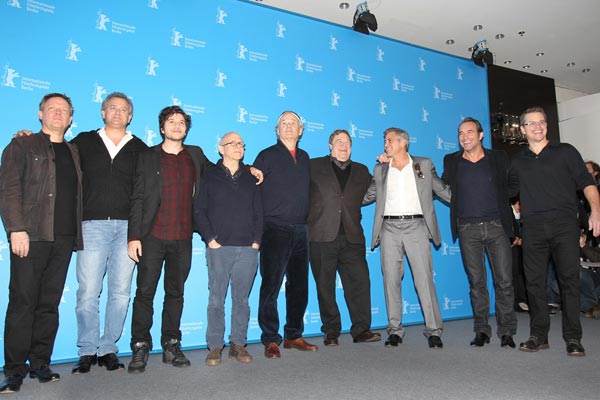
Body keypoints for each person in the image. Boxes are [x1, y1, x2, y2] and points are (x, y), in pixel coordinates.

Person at [0, 93, 83, 394]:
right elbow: (8, 189)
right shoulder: (22, 145)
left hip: (63, 238)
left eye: (64, 110)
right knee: (22, 302)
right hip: (31, 236)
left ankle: (40, 363)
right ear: (40, 114)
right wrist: (16, 229)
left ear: (71, 118)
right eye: (52, 109)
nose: (58, 114)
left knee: (49, 304)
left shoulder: (74, 151)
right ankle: (13, 370)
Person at [508, 106, 600, 357]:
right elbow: (508, 192)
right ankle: (539, 336)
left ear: (547, 126)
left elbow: (587, 182)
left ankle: (573, 338)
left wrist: (596, 211)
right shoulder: (517, 161)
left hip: (564, 226)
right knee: (534, 283)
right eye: (532, 123)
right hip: (533, 228)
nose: (538, 127)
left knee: (569, 281)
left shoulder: (566, 152)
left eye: (542, 122)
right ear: (523, 129)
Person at [126, 106, 211, 373]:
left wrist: (250, 169)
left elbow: (221, 172)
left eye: (181, 122)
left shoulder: (195, 155)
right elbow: (137, 197)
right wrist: (134, 236)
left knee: (176, 293)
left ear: (186, 129)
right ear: (162, 128)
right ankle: (140, 345)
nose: (177, 125)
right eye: (171, 121)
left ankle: (171, 344)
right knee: (145, 293)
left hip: (183, 237)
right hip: (152, 236)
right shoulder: (147, 156)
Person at [70, 93, 147, 373]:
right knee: (88, 291)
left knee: (121, 292)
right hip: (92, 225)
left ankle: (108, 348)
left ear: (130, 116)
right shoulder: (83, 141)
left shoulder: (139, 148)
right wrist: (29, 137)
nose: (117, 113)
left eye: (123, 109)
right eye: (112, 108)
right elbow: (55, 154)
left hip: (128, 228)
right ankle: (87, 349)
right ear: (103, 112)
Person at [363, 127, 450, 349]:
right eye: (385, 141)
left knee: (424, 280)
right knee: (391, 281)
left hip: (416, 227)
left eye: (390, 140)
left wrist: (469, 202)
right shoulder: (380, 169)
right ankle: (394, 330)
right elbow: (368, 195)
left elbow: (442, 190)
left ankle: (434, 331)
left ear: (403, 142)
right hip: (389, 229)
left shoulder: (423, 164)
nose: (386, 144)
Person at [442, 117, 517, 348]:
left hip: (497, 227)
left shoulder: (498, 157)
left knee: (504, 282)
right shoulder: (451, 161)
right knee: (477, 283)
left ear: (481, 135)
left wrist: (503, 201)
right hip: (467, 229)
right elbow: (442, 187)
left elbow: (513, 184)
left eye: (469, 132)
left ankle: (507, 332)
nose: (464, 137)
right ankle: (482, 330)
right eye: (460, 133)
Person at [253, 110, 318, 359]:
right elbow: (251, 179)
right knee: (271, 285)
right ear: (277, 130)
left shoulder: (305, 157)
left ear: (301, 131)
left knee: (299, 286)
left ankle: (293, 335)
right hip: (274, 229)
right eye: (283, 123)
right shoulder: (266, 155)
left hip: (301, 229)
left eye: (293, 123)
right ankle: (271, 338)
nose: (288, 126)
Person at [194, 131, 263, 366]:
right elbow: (199, 210)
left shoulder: (251, 177)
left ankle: (238, 344)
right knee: (216, 300)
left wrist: (256, 242)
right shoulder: (209, 176)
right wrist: (211, 240)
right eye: (231, 143)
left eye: (241, 143)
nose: (237, 146)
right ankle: (215, 346)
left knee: (241, 300)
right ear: (220, 148)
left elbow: (259, 212)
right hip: (219, 249)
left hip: (248, 249)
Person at [308, 129, 381, 346]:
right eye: (338, 141)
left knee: (359, 283)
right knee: (325, 286)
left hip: (352, 237)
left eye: (347, 141)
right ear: (330, 145)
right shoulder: (313, 166)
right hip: (321, 235)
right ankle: (331, 330)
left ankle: (361, 330)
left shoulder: (361, 170)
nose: (343, 145)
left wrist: (385, 166)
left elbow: (374, 191)